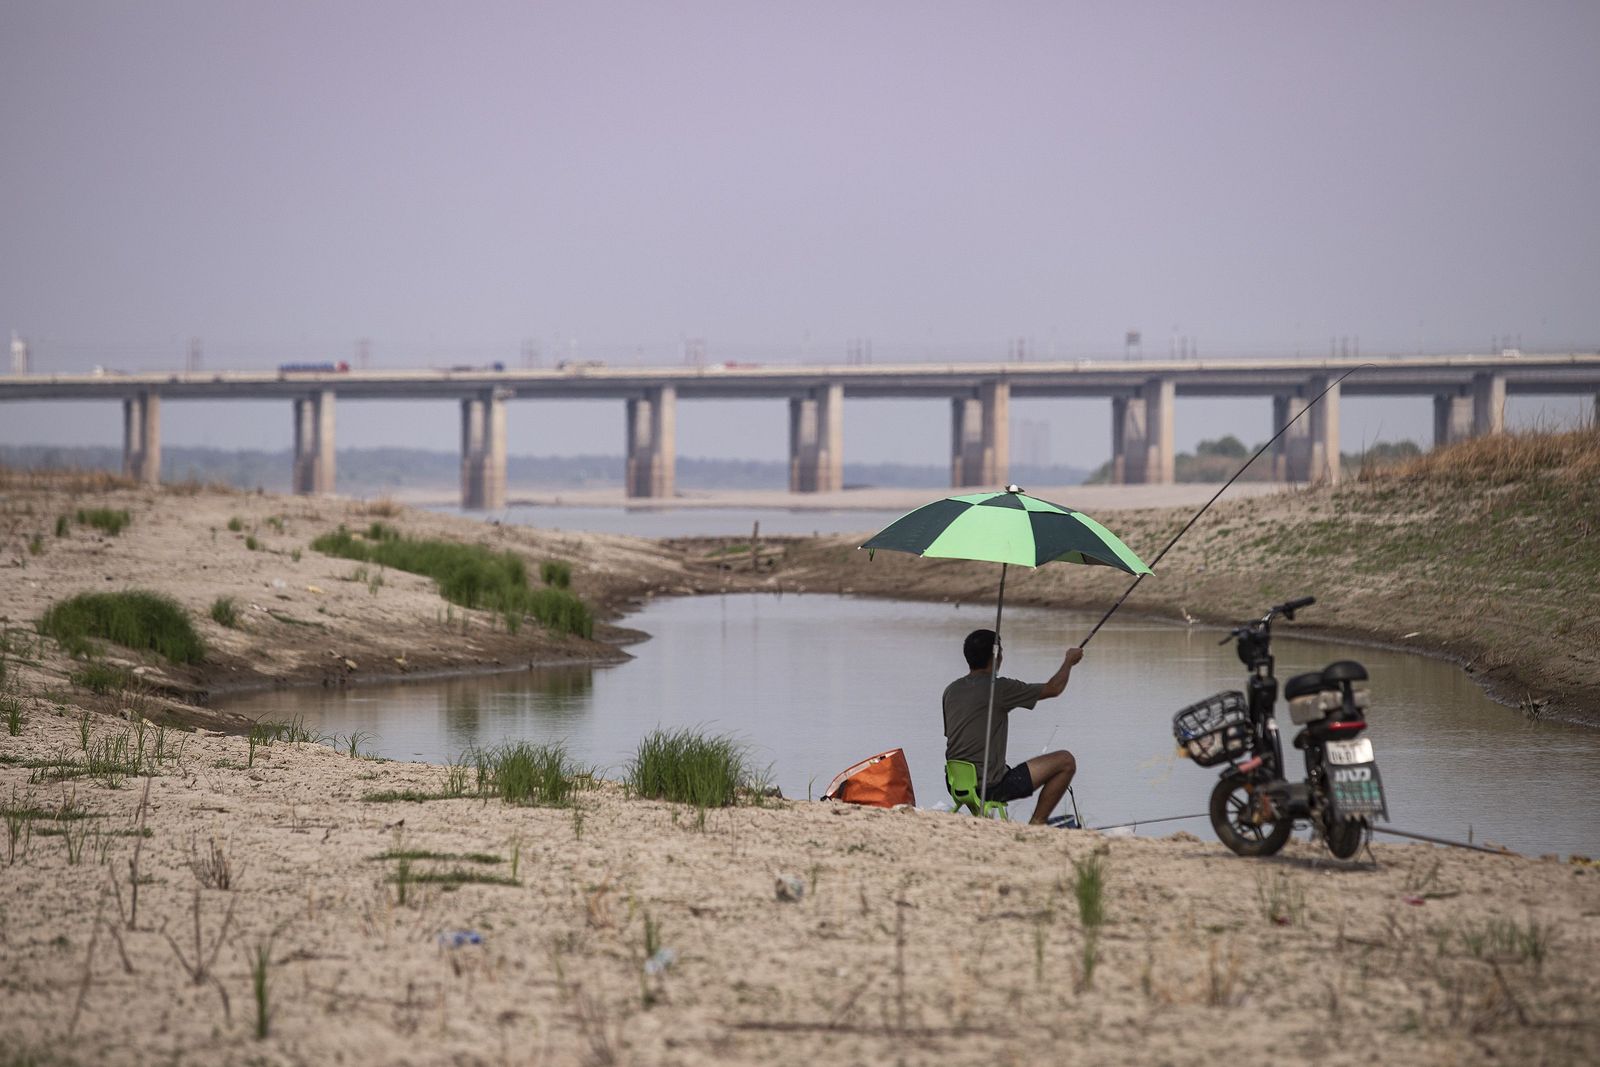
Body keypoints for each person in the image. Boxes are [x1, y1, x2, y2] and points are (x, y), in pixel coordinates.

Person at [943, 628, 1083, 825]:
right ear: (996, 656)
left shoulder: (951, 690)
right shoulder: (999, 688)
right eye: (1000, 652)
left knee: (1005, 767)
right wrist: (1069, 661)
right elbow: (1053, 688)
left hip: (956, 782)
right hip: (989, 786)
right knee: (1065, 761)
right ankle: (1037, 823)